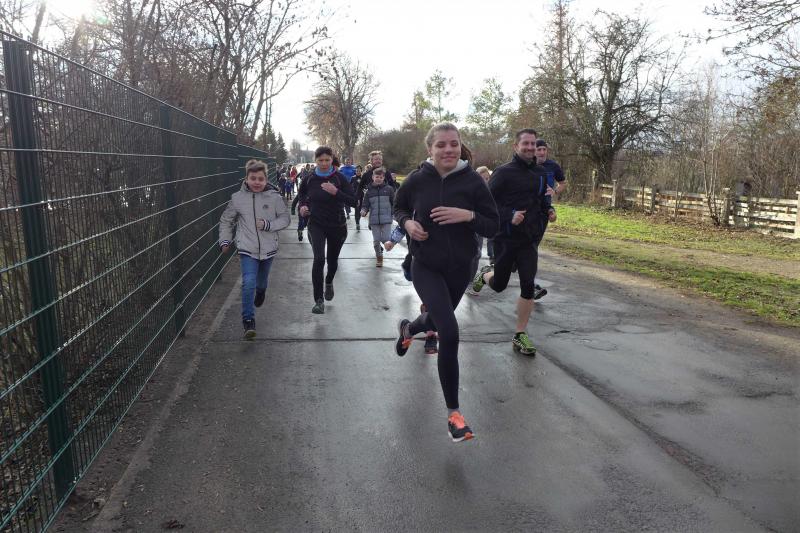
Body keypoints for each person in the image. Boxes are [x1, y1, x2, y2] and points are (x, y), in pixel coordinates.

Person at [393, 122, 498, 442]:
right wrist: (408, 223)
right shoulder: (417, 179)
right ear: (430, 149)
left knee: (437, 319)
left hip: (461, 267)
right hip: (426, 265)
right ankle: (455, 415)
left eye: (454, 143)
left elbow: (493, 225)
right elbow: (399, 207)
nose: (448, 149)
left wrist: (467, 216)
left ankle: (409, 329)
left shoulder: (473, 181)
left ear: (460, 146)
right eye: (441, 144)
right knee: (448, 330)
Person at [471, 129, 551, 356]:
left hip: (529, 240)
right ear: (516, 146)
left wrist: (550, 210)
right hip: (505, 238)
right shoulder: (503, 173)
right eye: (525, 143)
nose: (530, 147)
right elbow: (486, 204)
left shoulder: (541, 173)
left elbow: (542, 200)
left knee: (528, 284)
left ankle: (520, 333)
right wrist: (510, 215)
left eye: (533, 144)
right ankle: (486, 274)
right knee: (499, 285)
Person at [219, 159, 290, 339]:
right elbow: (226, 220)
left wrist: (268, 225)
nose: (257, 182)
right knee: (248, 281)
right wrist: (225, 240)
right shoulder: (237, 198)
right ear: (246, 179)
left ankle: (261, 291)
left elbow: (285, 219)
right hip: (247, 248)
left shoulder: (274, 197)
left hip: (268, 247)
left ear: (266, 180)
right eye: (253, 178)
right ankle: (248, 321)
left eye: (260, 179)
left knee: (261, 282)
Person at [297, 147, 357, 314]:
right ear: (315, 160)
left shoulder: (340, 178)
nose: (324, 163)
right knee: (319, 259)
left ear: (332, 160)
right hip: (316, 223)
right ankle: (318, 300)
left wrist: (336, 192)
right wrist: (303, 206)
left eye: (327, 160)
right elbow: (302, 195)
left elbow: (354, 201)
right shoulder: (309, 179)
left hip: (337, 225)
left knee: (332, 261)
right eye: (320, 160)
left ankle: (329, 281)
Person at [360, 166, 394, 267]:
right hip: (374, 220)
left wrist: (393, 213)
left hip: (386, 219)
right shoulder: (369, 191)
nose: (378, 179)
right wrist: (363, 210)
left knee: (386, 239)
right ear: (373, 177)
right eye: (377, 177)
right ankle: (379, 258)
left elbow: (394, 203)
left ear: (384, 178)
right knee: (376, 241)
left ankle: (389, 244)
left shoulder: (389, 189)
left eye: (381, 177)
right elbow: (365, 204)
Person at [475, 166, 495, 264]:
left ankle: (492, 255)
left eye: (487, 178)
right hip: (477, 217)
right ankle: (476, 254)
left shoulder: (492, 189)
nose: (485, 181)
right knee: (478, 237)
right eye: (482, 178)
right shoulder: (473, 189)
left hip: (488, 217)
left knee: (492, 236)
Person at [353, 164, 364, 231]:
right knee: (356, 210)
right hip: (355, 196)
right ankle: (357, 223)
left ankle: (358, 220)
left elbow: (366, 186)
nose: (358, 172)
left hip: (362, 196)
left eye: (359, 171)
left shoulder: (363, 178)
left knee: (360, 210)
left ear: (361, 171)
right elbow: (349, 186)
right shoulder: (353, 178)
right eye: (357, 171)